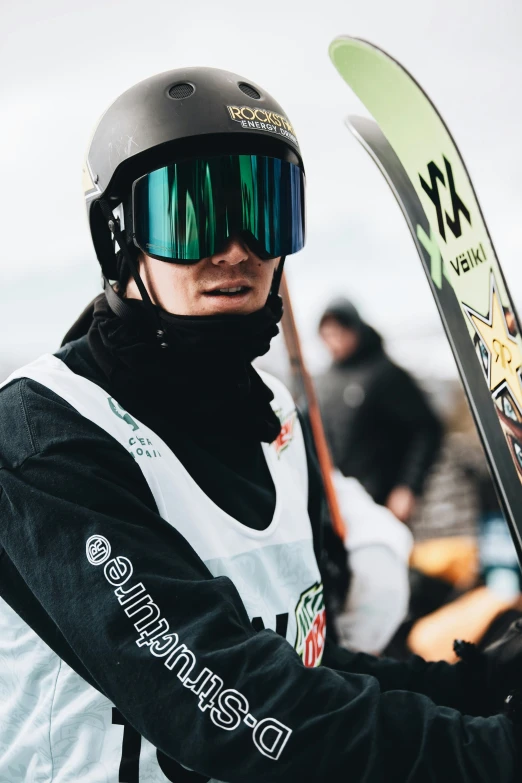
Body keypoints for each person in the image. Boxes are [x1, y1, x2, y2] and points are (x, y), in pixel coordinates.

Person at [0, 66, 521, 783]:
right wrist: (485, 754)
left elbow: (304, 668)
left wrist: (479, 682)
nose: (238, 247)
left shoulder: (275, 423)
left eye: (266, 209)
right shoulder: (43, 433)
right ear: (119, 237)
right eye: (193, 214)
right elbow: (231, 704)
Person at [316, 298, 443, 522]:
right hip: (339, 504)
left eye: (338, 333)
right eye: (327, 336)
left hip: (381, 501)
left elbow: (427, 429)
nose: (333, 342)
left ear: (355, 330)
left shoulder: (385, 375)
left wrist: (407, 487)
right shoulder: (324, 381)